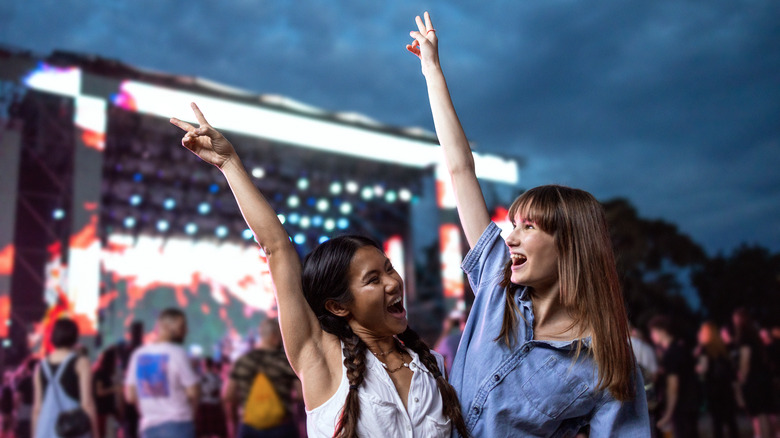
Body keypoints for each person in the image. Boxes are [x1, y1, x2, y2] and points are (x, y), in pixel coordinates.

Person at [405, 11, 650, 437]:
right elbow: (461, 168)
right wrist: (432, 70)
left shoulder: (607, 360)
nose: (510, 236)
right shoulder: (496, 283)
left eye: (529, 227)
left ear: (569, 245)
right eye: (512, 224)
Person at [170, 103, 468, 438]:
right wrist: (229, 163)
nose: (393, 282)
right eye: (373, 279)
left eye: (388, 269)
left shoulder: (433, 366)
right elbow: (277, 248)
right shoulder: (320, 358)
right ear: (339, 306)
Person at [124, 308, 200, 438]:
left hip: (149, 427)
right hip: (178, 424)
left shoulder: (138, 355)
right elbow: (193, 392)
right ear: (165, 326)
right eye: (182, 326)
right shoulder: (178, 353)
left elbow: (130, 395)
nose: (186, 331)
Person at [223, 318, 300, 438]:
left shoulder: (242, 361)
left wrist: (249, 399)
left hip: (249, 427)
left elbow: (228, 394)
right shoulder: (286, 362)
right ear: (274, 336)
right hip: (282, 426)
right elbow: (301, 394)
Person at [32, 317, 98, 438]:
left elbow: (37, 408)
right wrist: (95, 434)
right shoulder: (81, 363)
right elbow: (87, 404)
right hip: (73, 431)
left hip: (45, 431)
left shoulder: (40, 368)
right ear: (75, 337)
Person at [647, 315, 699, 438]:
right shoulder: (680, 349)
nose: (651, 336)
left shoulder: (671, 354)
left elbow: (673, 386)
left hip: (681, 408)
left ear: (662, 331)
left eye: (653, 332)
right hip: (690, 405)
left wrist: (668, 415)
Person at [732, 308, 776, 438]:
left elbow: (746, 357)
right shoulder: (755, 336)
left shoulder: (744, 336)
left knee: (756, 412)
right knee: (767, 410)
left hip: (753, 379)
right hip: (763, 377)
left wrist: (743, 376)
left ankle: (759, 435)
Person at [695, 321, 738, 438]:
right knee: (731, 421)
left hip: (713, 389)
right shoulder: (723, 349)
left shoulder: (705, 349)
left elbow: (703, 369)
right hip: (726, 388)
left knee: (717, 422)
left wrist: (695, 366)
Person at [92, 346, 123, 438]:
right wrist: (114, 389)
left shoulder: (107, 374)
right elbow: (99, 392)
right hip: (101, 412)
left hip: (107, 411)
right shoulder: (100, 373)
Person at [195, 357, 226, 438]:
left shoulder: (200, 378)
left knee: (204, 432)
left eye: (202, 364)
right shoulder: (217, 378)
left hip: (205, 407)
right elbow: (221, 393)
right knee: (216, 431)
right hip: (215, 406)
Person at [13, 358, 38, 438]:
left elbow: (17, 398)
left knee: (25, 433)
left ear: (28, 368)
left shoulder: (24, 381)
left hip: (25, 410)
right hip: (39, 409)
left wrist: (16, 412)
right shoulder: (42, 379)